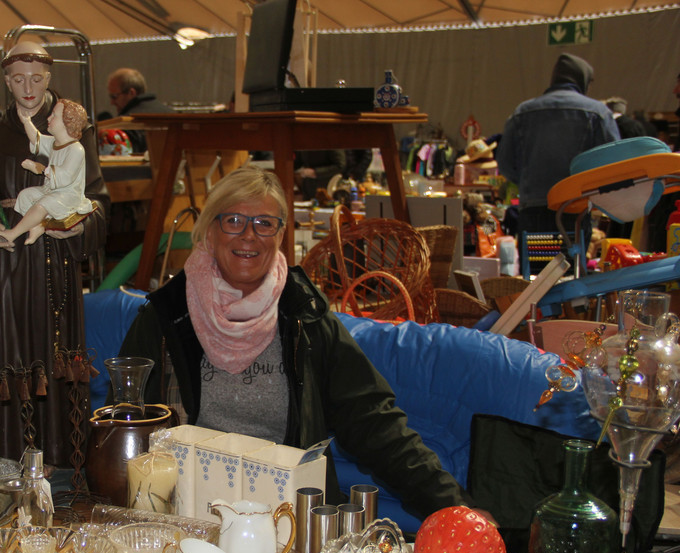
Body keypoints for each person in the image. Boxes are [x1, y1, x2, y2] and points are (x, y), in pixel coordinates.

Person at [115, 165, 486, 520]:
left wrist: (454, 507)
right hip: (187, 516)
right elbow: (123, 426)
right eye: (234, 220)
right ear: (209, 231)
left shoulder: (305, 316)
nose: (249, 235)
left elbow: (373, 423)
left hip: (291, 520)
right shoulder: (165, 317)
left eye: (265, 223)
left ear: (280, 236)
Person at [0, 41, 108, 468]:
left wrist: (82, 226)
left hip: (56, 265)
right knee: (4, 352)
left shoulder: (75, 128)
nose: (28, 88)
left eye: (37, 78)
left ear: (49, 78)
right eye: (18, 79)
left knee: (55, 354)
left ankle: (60, 463)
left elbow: (98, 198)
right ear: (6, 81)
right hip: (10, 264)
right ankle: (3, 461)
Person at [496, 54, 619, 268]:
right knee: (571, 278)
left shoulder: (522, 112)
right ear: (582, 80)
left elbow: (505, 163)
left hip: (533, 212)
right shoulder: (597, 113)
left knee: (535, 279)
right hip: (574, 212)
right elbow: (614, 163)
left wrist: (529, 183)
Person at [0, 99, 94, 248]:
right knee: (25, 196)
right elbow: (37, 139)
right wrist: (27, 121)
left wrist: (40, 169)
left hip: (68, 195)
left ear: (67, 122)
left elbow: (65, 177)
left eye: (54, 115)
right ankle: (38, 226)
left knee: (42, 205)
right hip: (52, 191)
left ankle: (13, 233)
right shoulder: (55, 142)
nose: (49, 118)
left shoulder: (76, 149)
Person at [106, 67, 173, 154]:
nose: (112, 102)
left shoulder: (126, 122)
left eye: (114, 96)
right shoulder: (171, 113)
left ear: (131, 93)